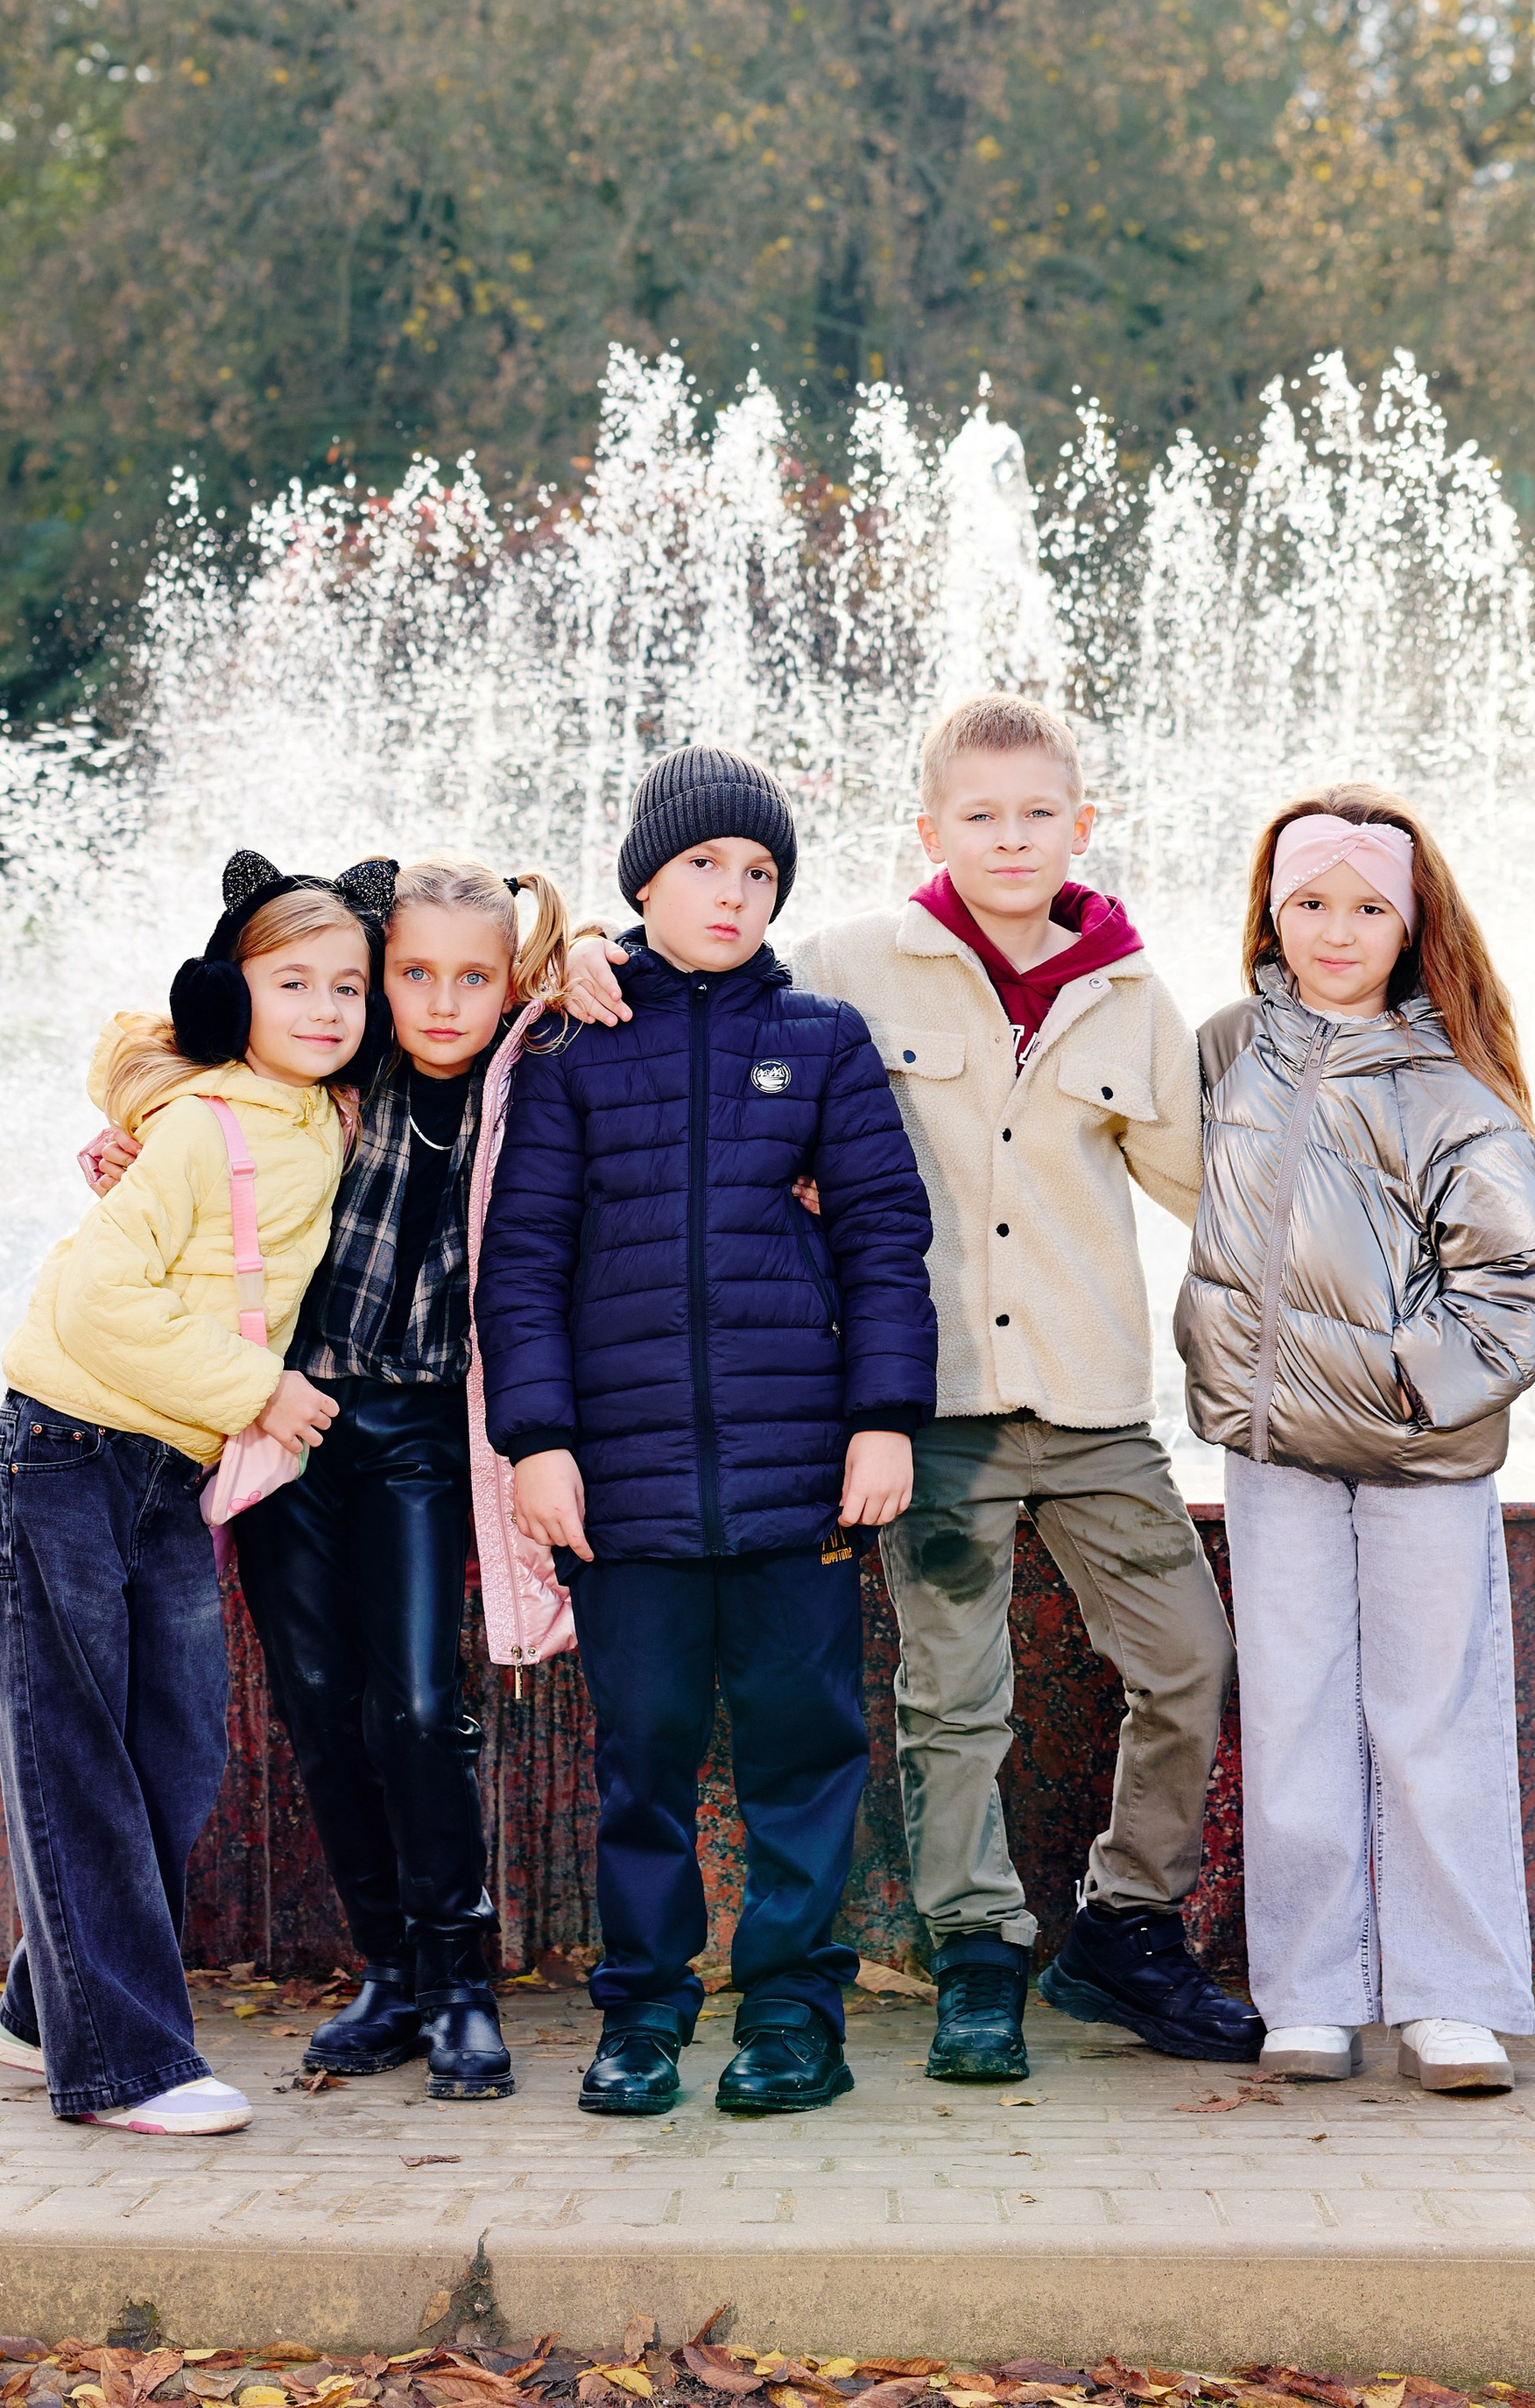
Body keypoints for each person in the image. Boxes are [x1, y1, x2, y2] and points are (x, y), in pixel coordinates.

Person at [82, 855, 630, 2102]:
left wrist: (590, 948)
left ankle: (460, 1980)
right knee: (321, 1702)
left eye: (474, 979)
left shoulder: (526, 1075)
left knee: (420, 1706)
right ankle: (390, 1970)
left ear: (512, 983)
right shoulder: (337, 1066)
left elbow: (607, 975)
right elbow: (192, 1106)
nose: (442, 1002)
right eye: (415, 974)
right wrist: (126, 1146)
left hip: (429, 1431)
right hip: (292, 1421)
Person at [786, 692, 1259, 2080]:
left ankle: (1123, 1928)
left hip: (1094, 1407)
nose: (1010, 838)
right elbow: (717, 1034)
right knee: (954, 1700)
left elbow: (1211, 1188)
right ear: (930, 829)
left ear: (1082, 824)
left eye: (1037, 812)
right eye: (979, 816)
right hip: (933, 1405)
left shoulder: (1131, 995)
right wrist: (581, 953)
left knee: (1190, 1662)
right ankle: (977, 1955)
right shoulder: (852, 964)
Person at [476, 743, 939, 2122]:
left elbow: (884, 1242)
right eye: (704, 868)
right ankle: (644, 2013)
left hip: (799, 1473)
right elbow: (525, 1259)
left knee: (805, 1746)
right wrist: (537, 1440)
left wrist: (882, 1422)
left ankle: (795, 2015)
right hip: (623, 1483)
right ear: (644, 879)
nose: (733, 894)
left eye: (759, 872)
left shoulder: (824, 1042)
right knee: (646, 1757)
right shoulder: (569, 1041)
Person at [1174, 788, 1535, 2093]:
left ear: (1409, 927)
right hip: (1273, 1449)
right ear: (1271, 913)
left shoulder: (1449, 1083)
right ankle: (1311, 1993)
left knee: (1430, 1713)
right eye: (1309, 904)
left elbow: (1521, 1280)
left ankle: (1448, 1998)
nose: (1335, 932)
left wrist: (1405, 1389)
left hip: (1419, 1457)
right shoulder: (1227, 1049)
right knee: (1293, 1712)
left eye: (1366, 909)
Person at [0, 852, 376, 2136]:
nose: (325, 1008)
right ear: (232, 997)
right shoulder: (204, 1126)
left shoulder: (318, 1114)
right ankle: (122, 2067)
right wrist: (256, 1388)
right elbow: (99, 1299)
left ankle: (46, 2008)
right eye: (292, 982)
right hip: (67, 1454)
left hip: (164, 1470)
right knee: (81, 1750)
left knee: (177, 1752)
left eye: (347, 986)